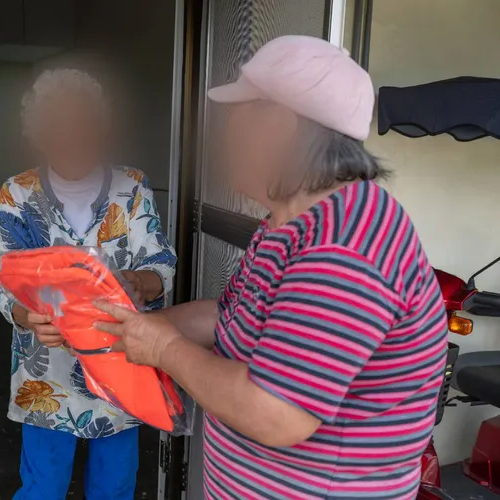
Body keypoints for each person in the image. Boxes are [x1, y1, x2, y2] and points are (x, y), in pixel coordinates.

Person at [95, 36, 448, 499]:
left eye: (236, 116)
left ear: (279, 126)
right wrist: (124, 326)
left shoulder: (345, 242)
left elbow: (277, 413)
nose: (224, 135)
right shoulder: (287, 224)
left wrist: (164, 349)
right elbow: (228, 316)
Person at [0, 68, 176, 500]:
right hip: (46, 378)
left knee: (114, 488)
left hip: (119, 369)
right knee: (42, 490)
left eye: (82, 123)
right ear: (38, 134)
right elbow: (4, 285)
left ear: (101, 127)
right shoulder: (18, 193)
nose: (72, 135)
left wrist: (140, 283)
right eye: (58, 125)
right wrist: (28, 315)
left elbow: (161, 264)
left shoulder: (132, 187)